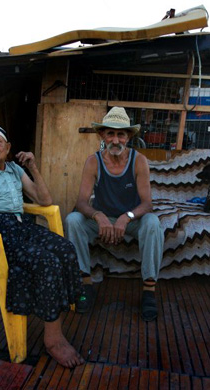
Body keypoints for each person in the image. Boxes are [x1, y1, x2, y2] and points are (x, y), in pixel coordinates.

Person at [0, 120, 84, 368]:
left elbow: (45, 201)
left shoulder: (15, 169)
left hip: (21, 226)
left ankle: (58, 306)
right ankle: (53, 340)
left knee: (65, 249)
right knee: (46, 261)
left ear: (8, 147)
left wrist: (33, 167)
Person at [65, 107, 164, 321]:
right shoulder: (93, 161)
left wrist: (125, 217)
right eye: (110, 133)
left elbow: (147, 204)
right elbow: (81, 202)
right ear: (102, 135)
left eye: (121, 134)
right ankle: (86, 284)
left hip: (131, 220)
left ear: (128, 136)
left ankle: (149, 291)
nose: (116, 139)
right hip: (103, 218)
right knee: (72, 220)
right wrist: (98, 216)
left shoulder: (139, 161)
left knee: (153, 224)